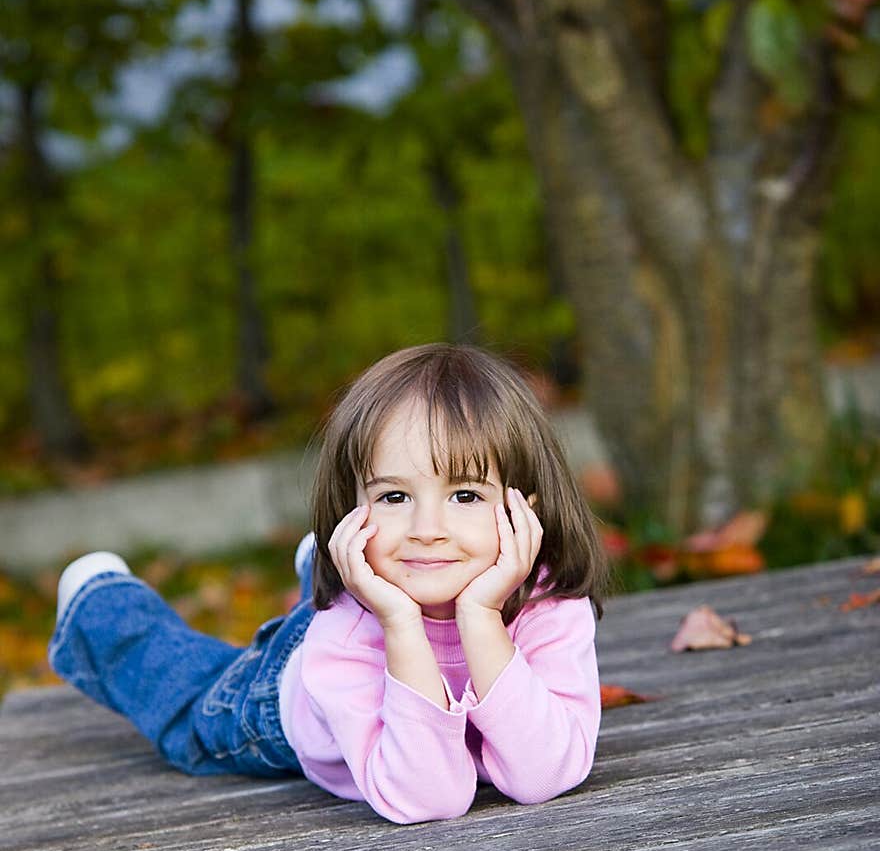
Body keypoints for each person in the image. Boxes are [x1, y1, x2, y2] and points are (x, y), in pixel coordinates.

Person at [49, 342, 607, 824]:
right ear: (352, 510)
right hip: (291, 695)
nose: (427, 531)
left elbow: (545, 774)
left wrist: (481, 617)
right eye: (393, 497)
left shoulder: (550, 604)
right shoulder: (346, 637)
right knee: (195, 716)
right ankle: (103, 604)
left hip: (376, 592)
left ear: (522, 510)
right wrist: (399, 622)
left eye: (465, 496)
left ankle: (318, 562)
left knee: (382, 571)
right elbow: (429, 798)